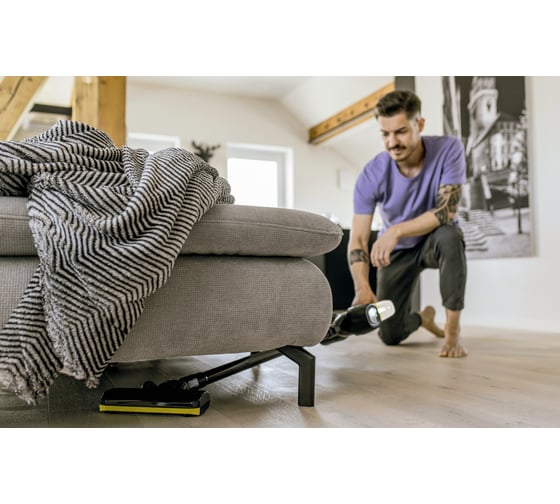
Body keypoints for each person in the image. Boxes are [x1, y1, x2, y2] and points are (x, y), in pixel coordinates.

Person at [348, 89, 468, 358]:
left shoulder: (449, 149)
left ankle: (452, 331)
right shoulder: (371, 174)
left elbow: (447, 212)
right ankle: (423, 318)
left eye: (401, 131)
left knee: (451, 236)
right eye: (385, 134)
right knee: (390, 335)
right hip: (398, 251)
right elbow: (358, 239)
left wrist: (396, 230)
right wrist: (362, 288)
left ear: (419, 124)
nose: (392, 142)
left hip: (433, 239)